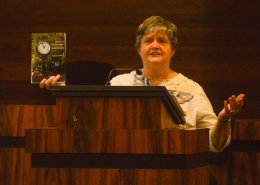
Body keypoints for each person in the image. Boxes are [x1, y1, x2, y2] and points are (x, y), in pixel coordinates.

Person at [40, 16, 245, 152]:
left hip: (177, 168)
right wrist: (62, 94)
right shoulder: (120, 83)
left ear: (172, 50)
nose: (155, 45)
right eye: (149, 41)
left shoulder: (192, 89)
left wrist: (224, 120)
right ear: (139, 49)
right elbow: (91, 123)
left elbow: (215, 144)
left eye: (162, 41)